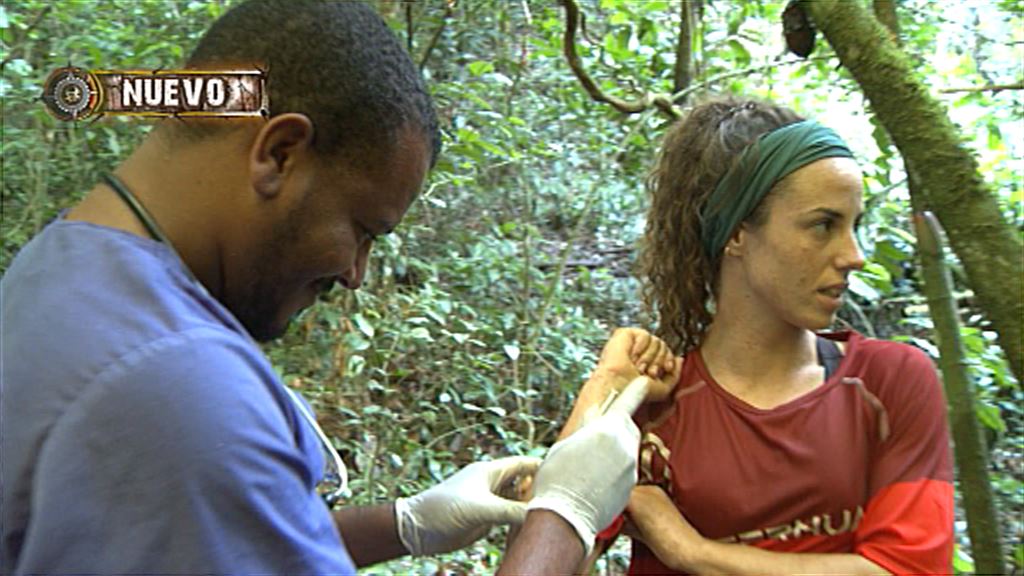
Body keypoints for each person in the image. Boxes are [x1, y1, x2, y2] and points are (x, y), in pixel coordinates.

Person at [0, 1, 680, 573]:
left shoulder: (65, 265)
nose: (355, 274)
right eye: (362, 229)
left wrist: (404, 523)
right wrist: (564, 517)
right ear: (278, 154)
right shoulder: (181, 387)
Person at [612, 97, 955, 575]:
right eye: (823, 225)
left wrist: (691, 552)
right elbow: (555, 543)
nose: (854, 255)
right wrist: (601, 394)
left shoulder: (889, 381)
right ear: (737, 234)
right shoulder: (653, 401)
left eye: (854, 225)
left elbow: (908, 569)